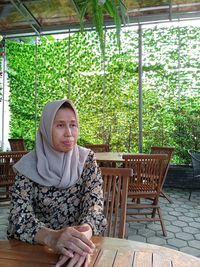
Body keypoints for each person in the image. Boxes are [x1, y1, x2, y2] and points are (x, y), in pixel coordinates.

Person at [7, 99, 107, 267]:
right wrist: (53, 237)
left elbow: (94, 208)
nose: (69, 133)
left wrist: (79, 240)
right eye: (60, 125)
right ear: (46, 128)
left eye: (73, 125)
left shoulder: (87, 160)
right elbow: (18, 218)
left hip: (78, 254)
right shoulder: (28, 166)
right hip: (34, 251)